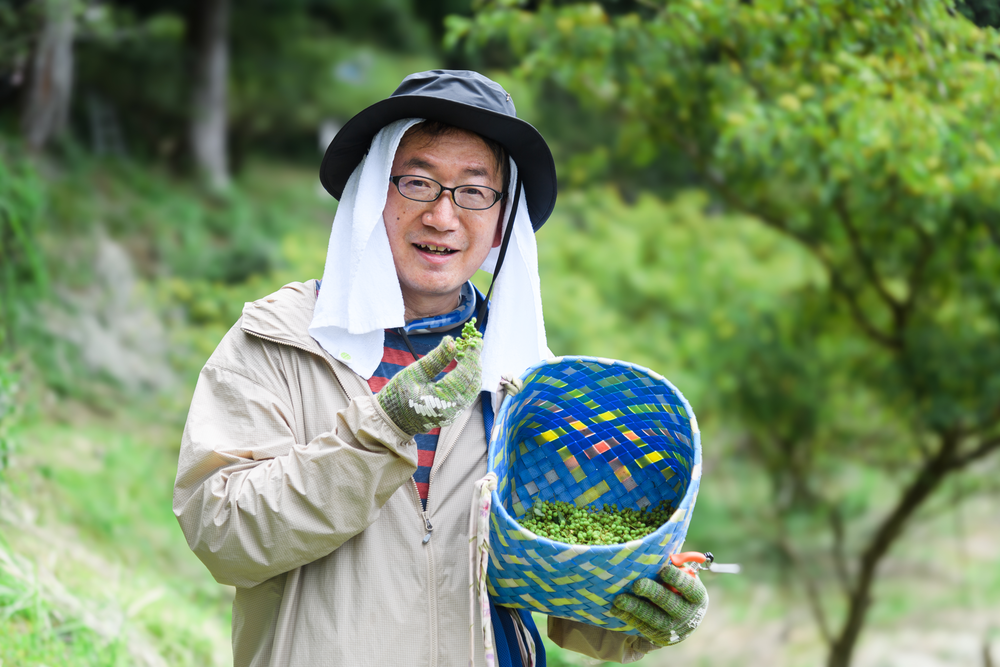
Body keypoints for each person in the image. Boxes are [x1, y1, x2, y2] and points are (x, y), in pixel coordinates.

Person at [173, 69, 708, 667]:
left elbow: (563, 586)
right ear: (374, 193)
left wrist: (639, 613)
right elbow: (224, 536)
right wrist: (384, 428)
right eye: (418, 182)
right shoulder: (281, 343)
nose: (443, 216)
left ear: (503, 219)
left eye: (475, 191)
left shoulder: (525, 382)